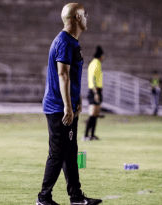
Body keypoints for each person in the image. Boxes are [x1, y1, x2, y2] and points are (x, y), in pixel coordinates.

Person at [38, 3, 102, 205]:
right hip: (59, 107)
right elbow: (63, 74)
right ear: (76, 17)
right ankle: (43, 198)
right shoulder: (65, 42)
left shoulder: (72, 42)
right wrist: (67, 106)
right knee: (58, 153)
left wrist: (77, 99)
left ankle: (76, 197)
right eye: (85, 14)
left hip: (67, 105)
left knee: (70, 152)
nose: (87, 18)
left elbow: (72, 77)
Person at [83, 46, 104, 141]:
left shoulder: (96, 63)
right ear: (101, 56)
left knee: (95, 114)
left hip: (97, 90)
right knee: (92, 114)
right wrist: (96, 92)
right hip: (94, 90)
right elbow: (92, 79)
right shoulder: (96, 64)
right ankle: (86, 135)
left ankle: (92, 135)